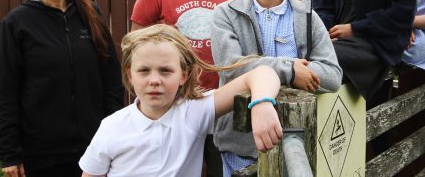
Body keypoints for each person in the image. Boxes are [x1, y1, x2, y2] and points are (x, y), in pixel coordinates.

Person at [211, 0, 342, 176]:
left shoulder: (307, 16)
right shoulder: (225, 14)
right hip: (241, 148)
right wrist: (291, 70)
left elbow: (333, 75)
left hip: (296, 143)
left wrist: (305, 72)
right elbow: (233, 68)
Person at [0, 0, 124, 177]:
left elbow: (111, 80)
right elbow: (4, 92)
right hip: (41, 153)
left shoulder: (90, 15)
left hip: (93, 148)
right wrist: (9, 153)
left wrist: (113, 131)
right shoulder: (17, 23)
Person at [79, 24, 283, 177]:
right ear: (130, 74)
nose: (154, 81)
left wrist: (261, 104)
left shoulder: (194, 111)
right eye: (143, 71)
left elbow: (263, 73)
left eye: (165, 71)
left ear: (183, 74)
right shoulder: (111, 127)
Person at [130, 0, 246, 176]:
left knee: (222, 169)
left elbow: (248, 39)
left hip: (222, 103)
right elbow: (134, 47)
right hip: (176, 104)